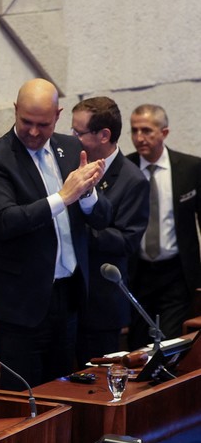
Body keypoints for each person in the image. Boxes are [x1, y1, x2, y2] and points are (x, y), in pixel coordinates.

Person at [0, 78, 111, 390]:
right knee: (25, 398)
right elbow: (3, 222)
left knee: (62, 391)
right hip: (20, 303)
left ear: (57, 116)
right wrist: (63, 197)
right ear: (15, 111)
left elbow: (102, 218)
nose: (33, 132)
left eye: (43, 124)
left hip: (67, 295)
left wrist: (87, 193)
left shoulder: (71, 148)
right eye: (26, 122)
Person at [71, 97, 149, 362]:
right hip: (65, 300)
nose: (72, 138)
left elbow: (126, 241)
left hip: (100, 305)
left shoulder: (132, 180)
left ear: (103, 135)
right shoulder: (71, 165)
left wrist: (76, 233)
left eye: (78, 133)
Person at [126, 104, 201, 348]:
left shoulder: (190, 168)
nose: (139, 138)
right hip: (138, 273)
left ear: (164, 132)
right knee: (138, 344)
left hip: (176, 272)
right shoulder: (125, 169)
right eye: (134, 130)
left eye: (147, 130)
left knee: (168, 344)